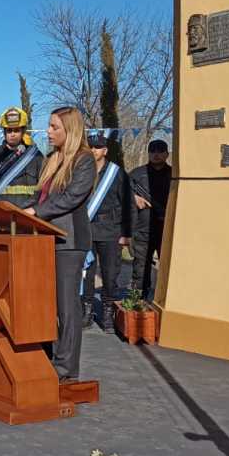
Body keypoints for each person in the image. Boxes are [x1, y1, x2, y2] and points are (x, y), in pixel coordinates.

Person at [22, 107, 95, 382]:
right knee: (47, 305)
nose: (48, 132)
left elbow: (71, 197)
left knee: (67, 307)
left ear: (70, 130)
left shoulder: (83, 160)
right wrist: (21, 210)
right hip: (44, 240)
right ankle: (49, 356)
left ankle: (66, 370)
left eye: (54, 127)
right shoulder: (52, 160)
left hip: (69, 241)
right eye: (49, 127)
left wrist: (35, 213)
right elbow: (40, 199)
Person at [82, 133, 132, 332]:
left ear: (105, 150)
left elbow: (128, 204)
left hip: (110, 229)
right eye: (91, 147)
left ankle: (108, 311)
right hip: (87, 229)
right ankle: (87, 310)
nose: (94, 150)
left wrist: (126, 232)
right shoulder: (82, 171)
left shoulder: (117, 173)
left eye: (98, 147)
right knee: (87, 272)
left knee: (110, 273)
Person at [129, 139, 172, 299]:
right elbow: (121, 194)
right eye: (153, 151)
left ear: (167, 154)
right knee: (140, 266)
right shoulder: (136, 174)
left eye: (160, 151)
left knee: (168, 266)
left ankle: (166, 298)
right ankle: (138, 299)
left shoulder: (174, 175)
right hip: (142, 229)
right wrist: (133, 197)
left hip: (166, 230)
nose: (156, 154)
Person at [0, 107, 43, 208]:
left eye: (16, 130)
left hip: (28, 216)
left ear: (23, 131)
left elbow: (43, 189)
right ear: (4, 132)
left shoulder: (35, 156)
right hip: (1, 215)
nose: (12, 134)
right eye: (9, 131)